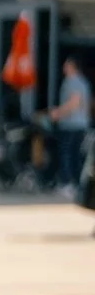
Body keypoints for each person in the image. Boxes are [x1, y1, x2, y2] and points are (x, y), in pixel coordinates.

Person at [51, 55, 92, 192]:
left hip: (71, 125)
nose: (64, 68)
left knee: (67, 154)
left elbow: (74, 103)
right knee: (76, 155)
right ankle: (77, 184)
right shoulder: (83, 82)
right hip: (80, 124)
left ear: (72, 66)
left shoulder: (73, 81)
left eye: (66, 65)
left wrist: (58, 113)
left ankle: (68, 183)